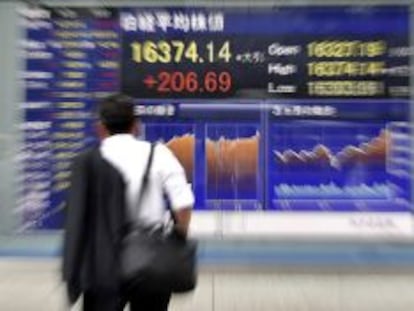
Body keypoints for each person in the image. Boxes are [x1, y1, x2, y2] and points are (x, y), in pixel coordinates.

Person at [62, 94, 194, 311]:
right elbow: (183, 203)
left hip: (101, 261)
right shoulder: (158, 153)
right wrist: (179, 236)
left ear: (100, 127)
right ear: (136, 125)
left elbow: (76, 218)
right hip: (151, 258)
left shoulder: (88, 161)